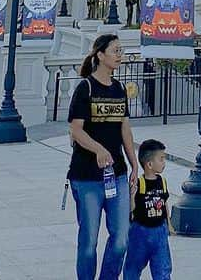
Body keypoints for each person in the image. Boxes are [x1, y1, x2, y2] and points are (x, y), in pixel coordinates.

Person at [68, 33, 137, 280]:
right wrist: (98, 149)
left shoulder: (119, 88)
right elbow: (76, 130)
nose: (120, 56)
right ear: (100, 55)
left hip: (116, 175)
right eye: (115, 51)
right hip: (87, 177)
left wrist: (134, 165)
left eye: (121, 51)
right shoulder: (85, 88)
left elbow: (124, 128)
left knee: (121, 238)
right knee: (89, 241)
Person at [123, 139, 171, 280]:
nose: (164, 162)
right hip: (140, 232)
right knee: (133, 266)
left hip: (160, 231)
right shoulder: (139, 183)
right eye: (161, 159)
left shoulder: (162, 181)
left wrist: (168, 223)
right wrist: (132, 196)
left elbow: (164, 202)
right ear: (149, 164)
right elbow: (132, 209)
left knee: (163, 268)